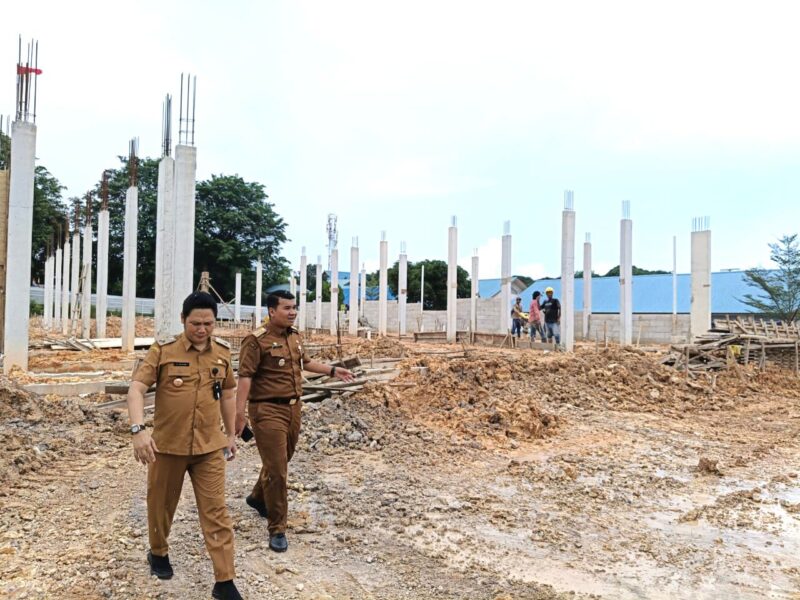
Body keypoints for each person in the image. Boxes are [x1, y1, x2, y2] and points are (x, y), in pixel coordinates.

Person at [127, 292, 243, 600]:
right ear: (183, 320)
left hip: (209, 448)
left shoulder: (221, 353)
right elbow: (137, 388)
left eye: (208, 323)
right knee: (161, 506)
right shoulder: (163, 351)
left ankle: (224, 579)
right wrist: (139, 430)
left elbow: (228, 393)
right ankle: (158, 552)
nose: (202, 329)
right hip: (167, 446)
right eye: (195, 323)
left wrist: (230, 434)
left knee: (216, 511)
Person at [235, 290, 355, 553]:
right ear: (271, 311)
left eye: (294, 308)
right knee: (278, 471)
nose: (292, 312)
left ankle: (257, 497)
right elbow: (245, 378)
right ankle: (277, 528)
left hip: (293, 408)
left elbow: (307, 363)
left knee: (279, 461)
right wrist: (239, 413)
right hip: (266, 410)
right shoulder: (256, 341)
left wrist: (334, 370)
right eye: (286, 308)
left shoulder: (295, 337)